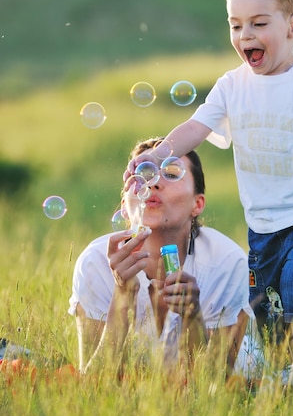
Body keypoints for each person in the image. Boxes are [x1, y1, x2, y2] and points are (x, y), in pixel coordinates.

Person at [127, 0, 293, 390]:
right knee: (264, 299)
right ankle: (281, 367)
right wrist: (158, 153)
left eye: (259, 24)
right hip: (263, 220)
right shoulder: (231, 86)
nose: (245, 36)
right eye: (236, 25)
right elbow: (196, 128)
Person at [69, 137, 260, 382]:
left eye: (170, 173)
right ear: (125, 206)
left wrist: (193, 317)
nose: (154, 183)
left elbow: (212, 384)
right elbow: (93, 382)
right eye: (143, 175)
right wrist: (122, 294)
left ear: (197, 203)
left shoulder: (226, 263)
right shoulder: (95, 263)